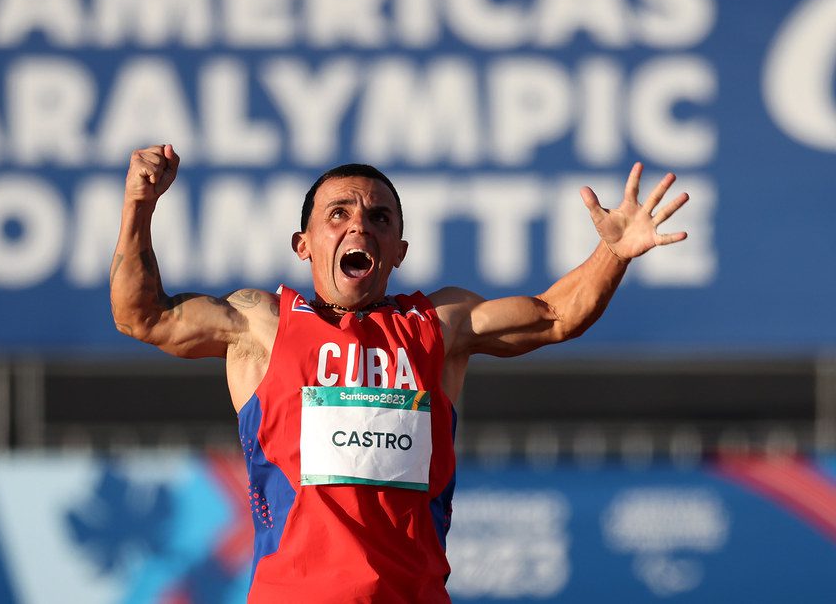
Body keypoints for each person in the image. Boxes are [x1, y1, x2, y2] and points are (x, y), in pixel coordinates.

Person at [109, 144, 688, 603]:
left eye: (378, 217)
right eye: (339, 214)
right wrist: (139, 203)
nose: (359, 224)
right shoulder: (261, 326)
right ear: (304, 244)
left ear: (398, 249)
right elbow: (141, 316)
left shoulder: (440, 325)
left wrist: (612, 253)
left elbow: (557, 315)